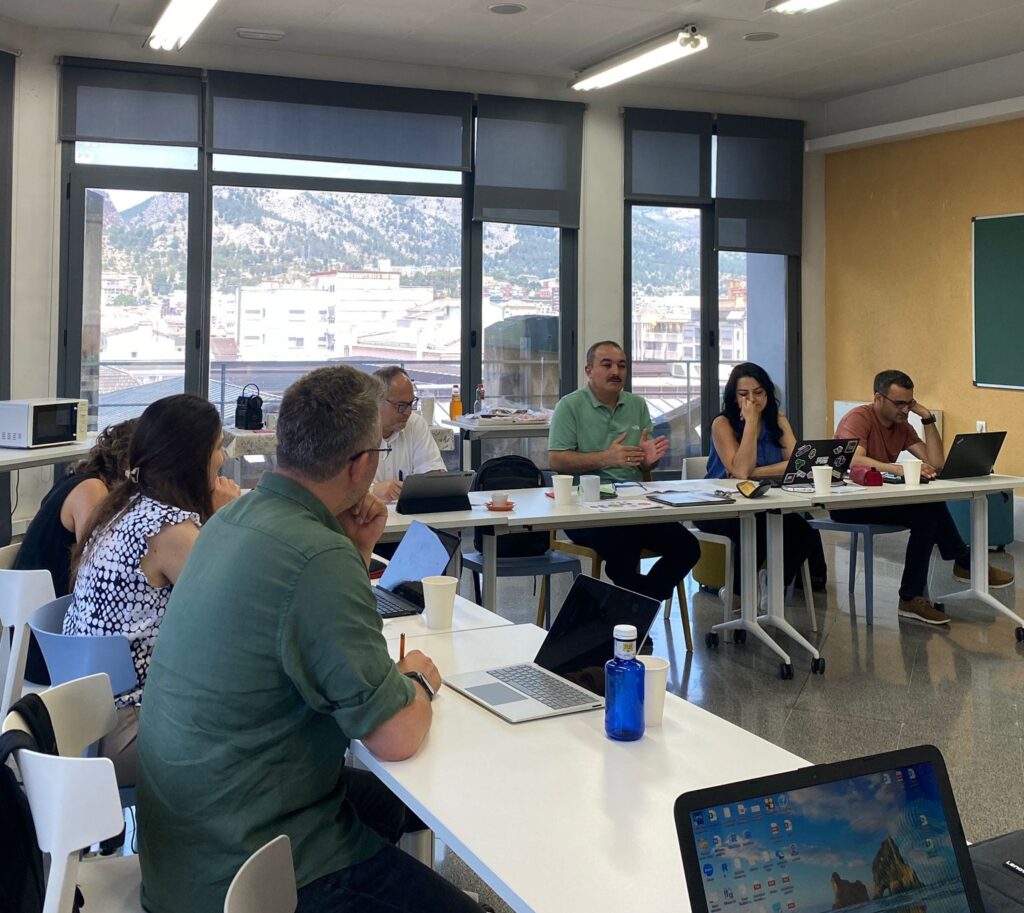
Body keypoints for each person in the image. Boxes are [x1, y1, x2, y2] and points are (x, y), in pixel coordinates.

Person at [136, 366, 485, 913]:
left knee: (388, 806)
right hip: (247, 872)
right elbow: (395, 737)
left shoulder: (231, 520)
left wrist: (356, 552)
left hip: (185, 848)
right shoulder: (316, 556)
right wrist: (417, 679)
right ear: (363, 464)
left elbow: (309, 635)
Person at [63, 394, 240, 786]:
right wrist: (223, 519)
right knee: (268, 733)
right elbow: (236, 616)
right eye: (217, 447)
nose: (223, 458)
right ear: (193, 459)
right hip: (125, 729)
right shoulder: (168, 530)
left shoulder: (124, 506)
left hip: (84, 717)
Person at [832, 369, 1013, 625]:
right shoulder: (858, 418)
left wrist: (927, 418)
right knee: (926, 514)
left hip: (881, 499)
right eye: (899, 403)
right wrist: (897, 469)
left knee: (927, 511)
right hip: (849, 503)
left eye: (910, 403)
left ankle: (915, 594)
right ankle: (961, 564)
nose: (906, 410)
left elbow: (936, 463)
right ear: (878, 398)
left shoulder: (902, 426)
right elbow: (854, 459)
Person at [548, 340, 701, 602]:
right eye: (607, 365)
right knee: (624, 548)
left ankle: (640, 605)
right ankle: (637, 613)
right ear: (588, 370)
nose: (616, 372)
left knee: (688, 546)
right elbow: (556, 460)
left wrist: (648, 461)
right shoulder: (570, 406)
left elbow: (645, 464)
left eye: (621, 366)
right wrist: (605, 458)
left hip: (634, 505)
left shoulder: (637, 405)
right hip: (583, 509)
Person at [13, 418, 136, 684]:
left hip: (37, 631)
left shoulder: (81, 479)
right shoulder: (92, 490)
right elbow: (101, 570)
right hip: (49, 645)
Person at [695, 363, 817, 607]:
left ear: (768, 394)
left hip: (764, 500)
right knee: (756, 528)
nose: (752, 400)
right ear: (734, 397)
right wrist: (751, 423)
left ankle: (772, 582)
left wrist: (755, 473)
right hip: (718, 504)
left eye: (758, 392)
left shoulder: (778, 420)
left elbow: (798, 464)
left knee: (804, 532)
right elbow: (741, 471)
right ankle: (737, 595)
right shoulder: (722, 423)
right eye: (744, 394)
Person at [371, 365, 445, 504]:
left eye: (411, 403)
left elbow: (433, 476)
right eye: (401, 405)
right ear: (377, 401)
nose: (408, 412)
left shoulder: (415, 424)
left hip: (408, 514)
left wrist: (431, 480)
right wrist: (373, 491)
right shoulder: (354, 431)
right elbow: (338, 490)